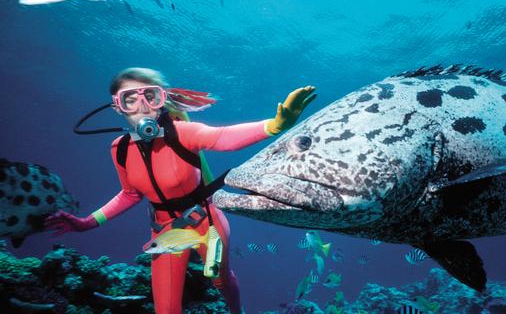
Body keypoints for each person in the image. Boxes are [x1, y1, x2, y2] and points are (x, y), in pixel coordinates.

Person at [44, 67, 316, 314]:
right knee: (166, 309)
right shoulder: (119, 149)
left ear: (162, 100)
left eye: (150, 97)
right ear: (118, 107)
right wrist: (86, 224)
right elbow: (129, 194)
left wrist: (275, 125)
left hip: (206, 223)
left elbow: (222, 137)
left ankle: (237, 311)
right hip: (164, 233)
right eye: (130, 99)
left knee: (220, 280)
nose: (143, 108)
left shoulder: (182, 132)